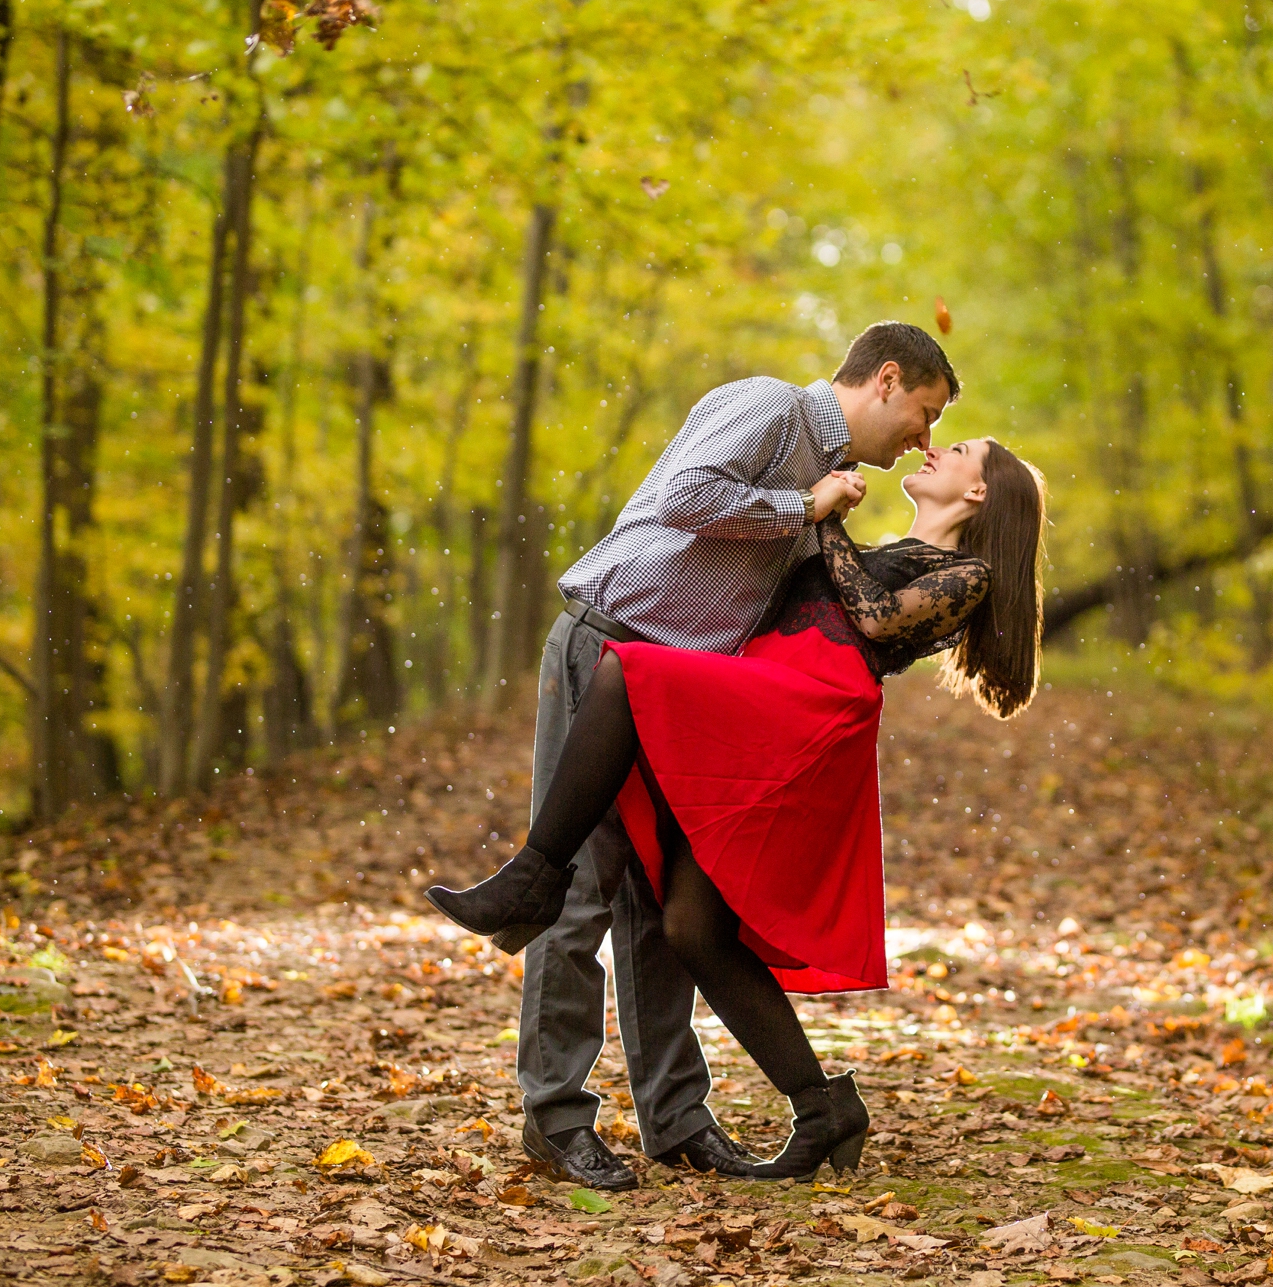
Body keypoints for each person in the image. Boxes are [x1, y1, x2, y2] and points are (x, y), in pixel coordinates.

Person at [431, 435, 1047, 1180]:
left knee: (628, 675)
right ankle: (825, 1107)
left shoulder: (966, 574)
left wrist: (822, 515)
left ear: (979, 493)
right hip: (753, 702)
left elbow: (877, 618)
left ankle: (533, 874)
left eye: (953, 449)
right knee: (693, 927)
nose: (931, 450)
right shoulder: (881, 543)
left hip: (803, 719)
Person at [471, 323, 956, 1193]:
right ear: (885, 379)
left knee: (656, 905)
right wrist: (799, 509)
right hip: (609, 647)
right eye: (922, 415)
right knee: (577, 894)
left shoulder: (833, 486)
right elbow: (687, 496)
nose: (921, 441)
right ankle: (556, 1118)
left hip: (679, 688)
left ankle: (678, 1121)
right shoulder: (772, 409)